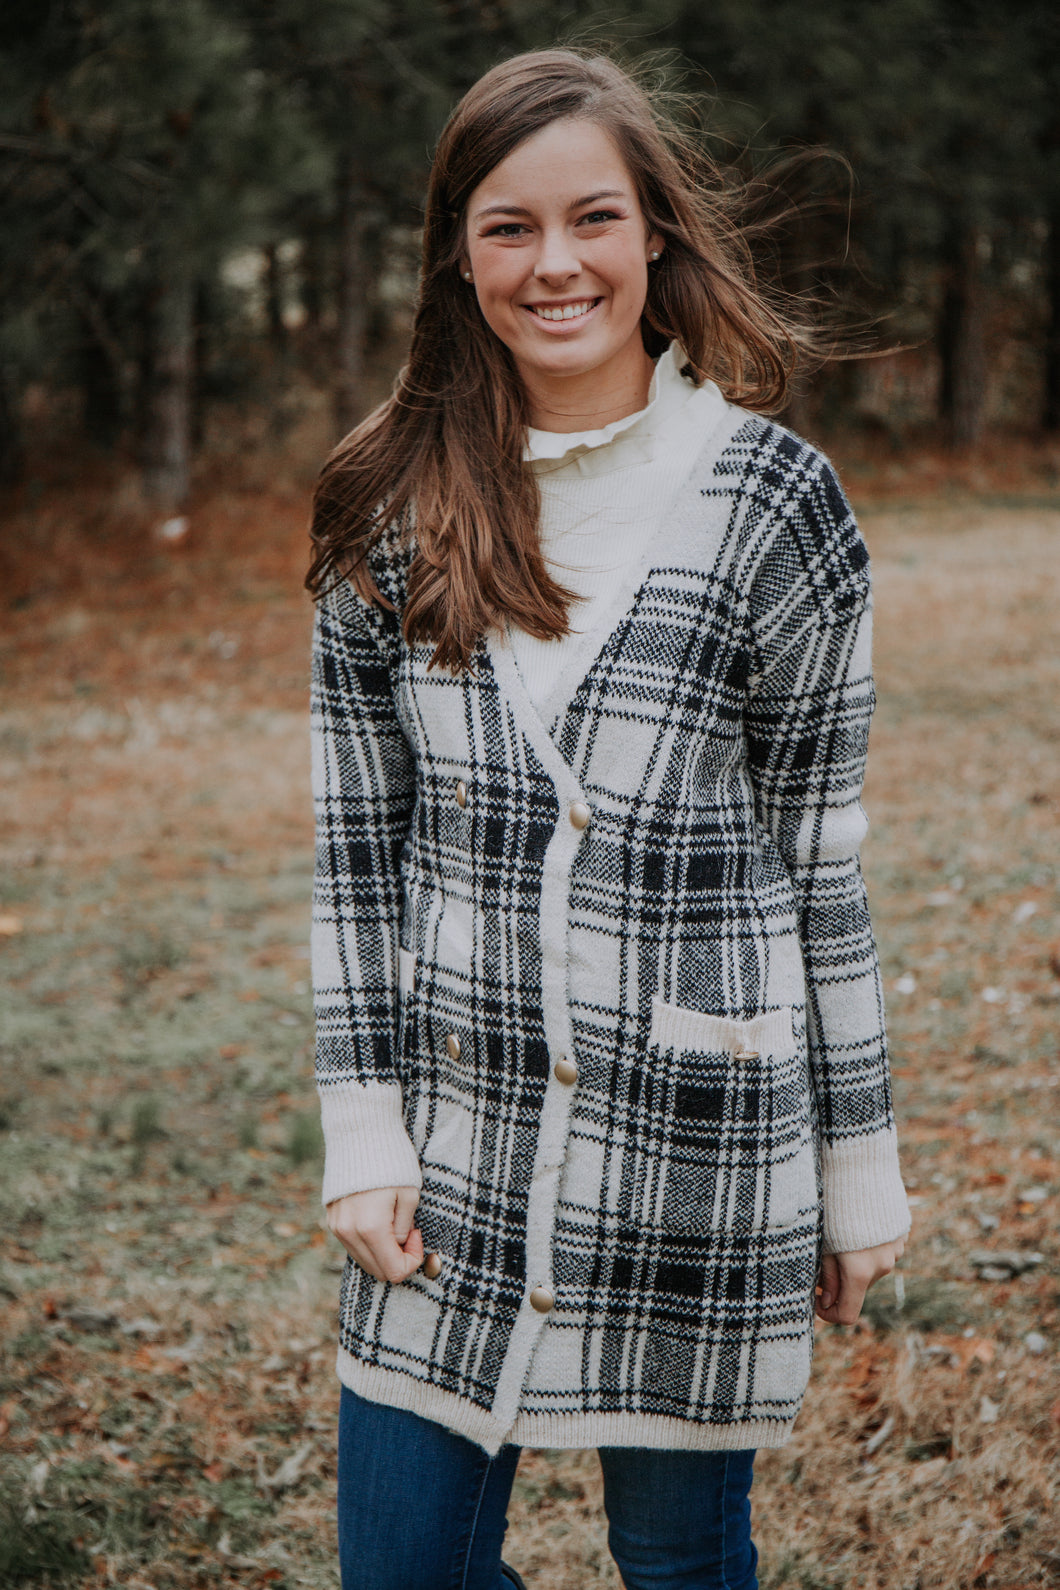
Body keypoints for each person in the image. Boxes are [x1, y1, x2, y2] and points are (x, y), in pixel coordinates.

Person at [306, 47, 910, 1590]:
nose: (556, 263)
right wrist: (364, 1130)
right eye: (509, 227)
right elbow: (357, 855)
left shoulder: (776, 504)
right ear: (458, 252)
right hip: (457, 1139)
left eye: (594, 219)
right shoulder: (388, 508)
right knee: (400, 1569)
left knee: (682, 1564)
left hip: (700, 1141)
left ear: (657, 235)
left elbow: (819, 866)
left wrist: (857, 1175)